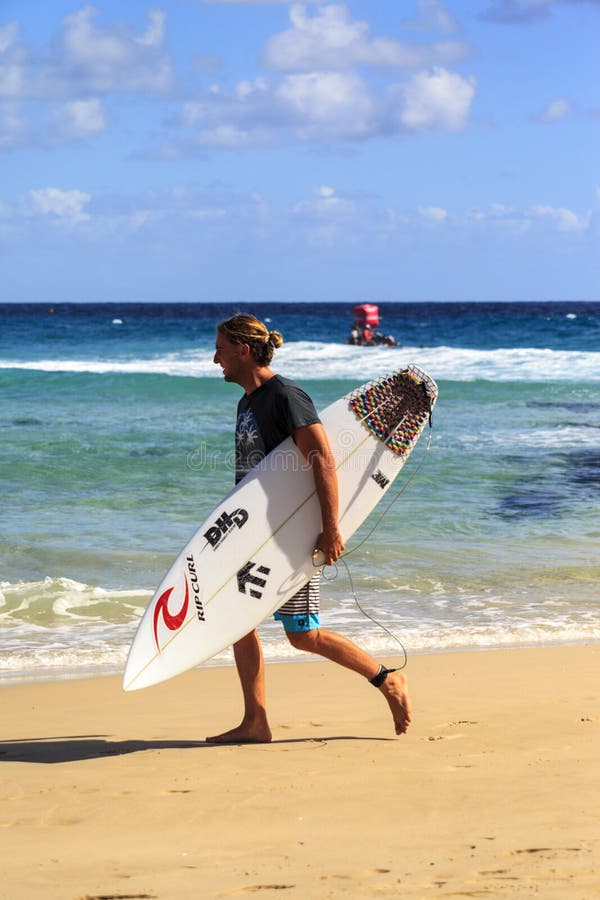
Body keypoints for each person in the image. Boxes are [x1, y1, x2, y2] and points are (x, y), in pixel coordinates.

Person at [207, 313, 412, 743]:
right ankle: (255, 722)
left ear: (244, 350)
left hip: (289, 536)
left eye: (222, 349)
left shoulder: (285, 395)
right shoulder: (247, 403)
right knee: (236, 621)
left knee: (303, 635)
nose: (215, 359)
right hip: (254, 535)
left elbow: (322, 458)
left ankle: (386, 679)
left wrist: (329, 528)